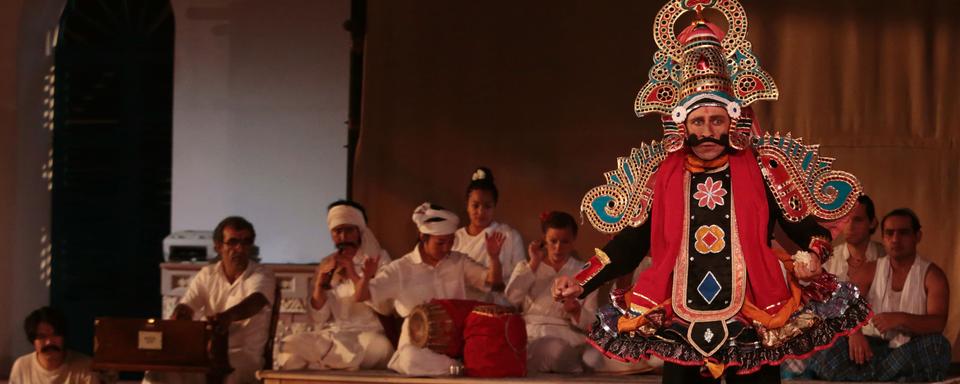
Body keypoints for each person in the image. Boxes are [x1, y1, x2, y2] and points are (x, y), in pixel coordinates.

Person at [553, 1, 869, 382]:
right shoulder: (665, 174)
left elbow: (808, 231)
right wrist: (582, 280)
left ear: (732, 120)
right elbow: (633, 241)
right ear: (682, 125)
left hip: (754, 312)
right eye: (697, 121)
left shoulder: (763, 167)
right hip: (679, 314)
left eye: (715, 119)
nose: (706, 131)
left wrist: (814, 256)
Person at [354, 203, 503, 376]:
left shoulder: (458, 261)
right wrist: (365, 278)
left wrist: (494, 258)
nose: (447, 248)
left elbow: (493, 282)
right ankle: (460, 367)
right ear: (423, 237)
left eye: (451, 241)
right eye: (440, 243)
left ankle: (459, 365)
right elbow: (361, 295)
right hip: (417, 342)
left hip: (456, 338)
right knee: (410, 359)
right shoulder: (401, 268)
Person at [810, 208, 950, 382]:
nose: (895, 239)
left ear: (917, 236)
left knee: (938, 346)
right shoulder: (871, 269)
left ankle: (870, 378)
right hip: (870, 350)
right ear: (883, 238)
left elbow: (938, 323)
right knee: (824, 344)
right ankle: (891, 378)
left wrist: (901, 319)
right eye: (889, 233)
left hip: (908, 350)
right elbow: (840, 305)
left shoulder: (932, 275)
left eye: (903, 233)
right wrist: (855, 333)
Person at [505, 211, 652, 375]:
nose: (558, 247)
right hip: (532, 336)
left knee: (580, 354)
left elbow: (591, 322)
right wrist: (533, 264)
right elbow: (511, 298)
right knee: (552, 350)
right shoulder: (529, 267)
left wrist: (576, 311)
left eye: (564, 242)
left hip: (568, 340)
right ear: (544, 239)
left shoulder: (583, 273)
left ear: (573, 241)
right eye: (553, 241)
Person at [145, 216, 276, 384]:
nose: (240, 248)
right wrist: (182, 313)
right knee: (158, 371)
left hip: (244, 357)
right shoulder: (207, 274)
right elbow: (189, 303)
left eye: (246, 242)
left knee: (216, 372)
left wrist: (227, 317)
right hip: (207, 353)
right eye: (233, 242)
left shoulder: (262, 274)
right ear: (218, 247)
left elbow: (255, 301)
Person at [276, 200, 394, 370]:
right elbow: (318, 318)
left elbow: (386, 307)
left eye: (349, 230)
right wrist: (319, 286)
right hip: (336, 334)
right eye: (338, 231)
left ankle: (324, 360)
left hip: (369, 335)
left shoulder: (379, 259)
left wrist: (352, 273)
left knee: (382, 349)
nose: (343, 237)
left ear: (360, 231)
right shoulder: (327, 263)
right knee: (289, 346)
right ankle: (330, 358)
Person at [453, 167, 525, 303]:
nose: (480, 212)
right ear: (467, 205)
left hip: (501, 308)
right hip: (464, 307)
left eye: (487, 206)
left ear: (494, 206)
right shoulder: (456, 239)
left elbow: (520, 280)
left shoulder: (509, 236)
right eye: (475, 205)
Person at [10, 306, 108, 384]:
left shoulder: (85, 366)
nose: (49, 342)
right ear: (33, 340)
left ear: (63, 336)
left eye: (55, 335)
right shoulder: (21, 367)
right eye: (42, 337)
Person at [825, 195, 885, 289]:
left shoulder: (884, 256)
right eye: (846, 220)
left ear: (872, 222)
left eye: (857, 220)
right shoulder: (829, 259)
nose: (850, 226)